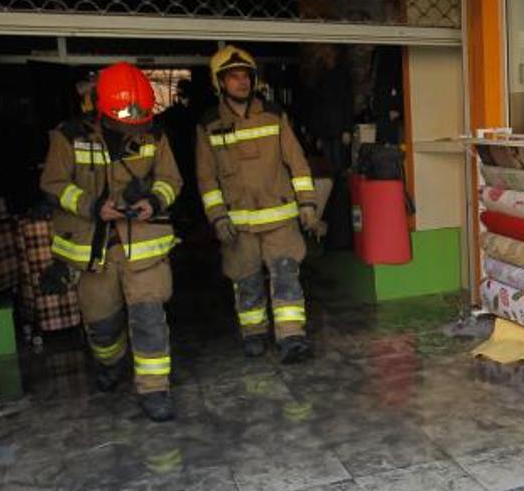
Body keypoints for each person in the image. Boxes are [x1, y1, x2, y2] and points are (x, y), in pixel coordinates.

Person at [40, 62, 182, 422]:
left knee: (149, 317)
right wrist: (92, 207)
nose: (134, 129)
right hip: (93, 250)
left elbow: (171, 180)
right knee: (103, 325)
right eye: (125, 123)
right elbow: (53, 185)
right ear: (102, 109)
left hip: (143, 246)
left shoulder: (155, 136)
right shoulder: (68, 136)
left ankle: (154, 390)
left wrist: (154, 202)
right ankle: (110, 362)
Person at [196, 44, 320, 364]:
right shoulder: (209, 124)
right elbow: (206, 178)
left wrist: (307, 203)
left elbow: (297, 161)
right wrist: (218, 217)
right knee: (247, 281)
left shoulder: (274, 114)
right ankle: (254, 333)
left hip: (280, 218)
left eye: (245, 76)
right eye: (233, 77)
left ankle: (292, 337)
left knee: (286, 276)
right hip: (239, 225)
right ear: (220, 82)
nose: (242, 82)